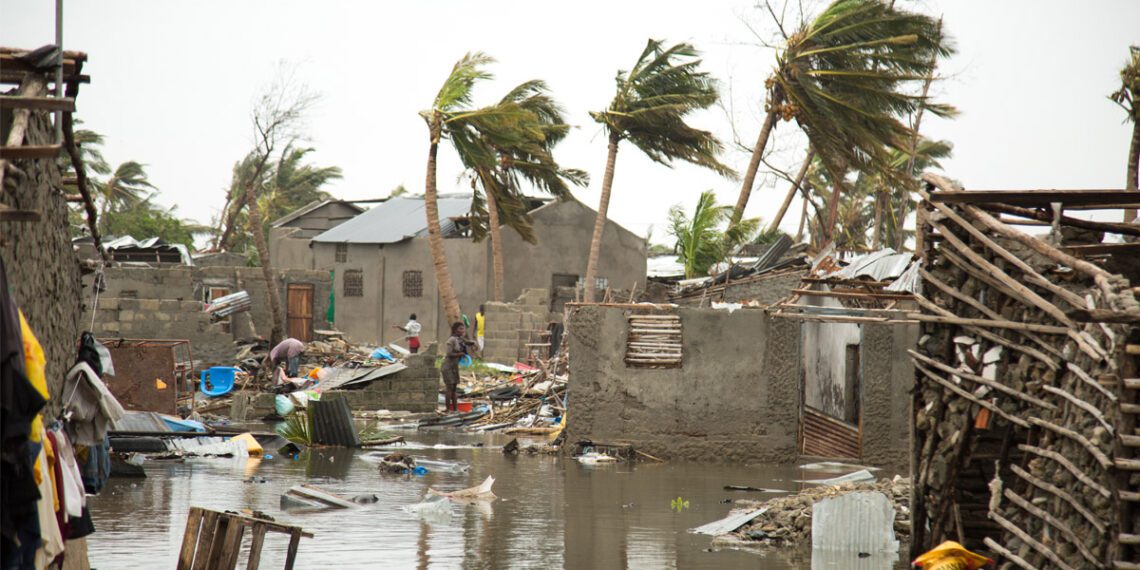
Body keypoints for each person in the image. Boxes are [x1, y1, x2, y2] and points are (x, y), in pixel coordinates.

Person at [441, 322, 469, 413]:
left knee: (454, 389)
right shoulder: (451, 340)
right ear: (455, 330)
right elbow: (449, 353)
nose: (463, 330)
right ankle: (448, 409)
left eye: (463, 328)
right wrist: (459, 354)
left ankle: (456, 409)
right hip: (447, 366)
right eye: (461, 329)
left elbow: (469, 344)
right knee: (449, 388)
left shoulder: (460, 340)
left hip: (454, 367)